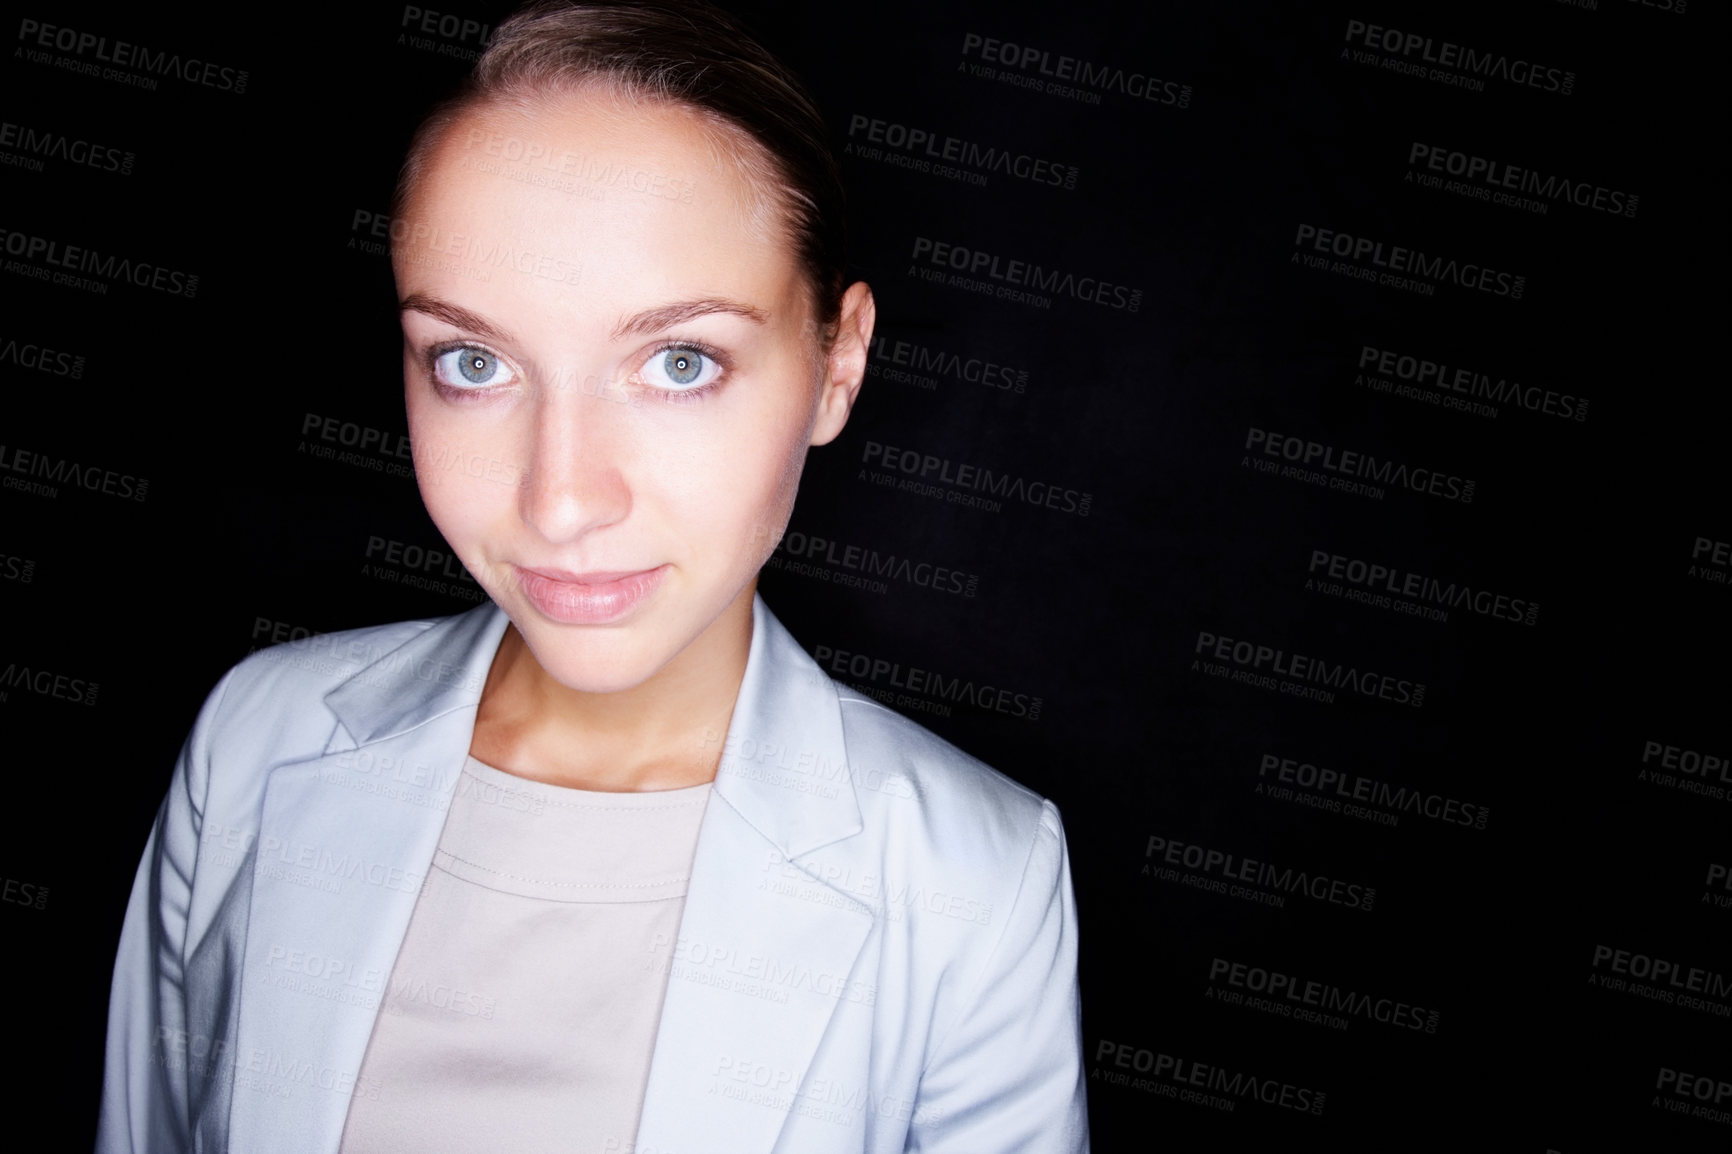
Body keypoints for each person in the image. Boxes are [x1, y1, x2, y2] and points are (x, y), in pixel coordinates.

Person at [95, 2, 1088, 1151]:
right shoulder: (254, 738)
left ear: (836, 363)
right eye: (473, 362)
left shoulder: (977, 875)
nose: (561, 498)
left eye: (678, 361)